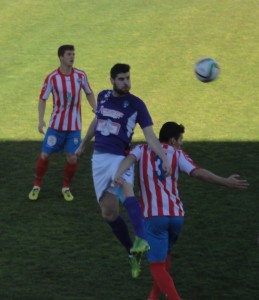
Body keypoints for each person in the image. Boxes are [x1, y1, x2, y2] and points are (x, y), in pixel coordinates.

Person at [113, 121, 249, 300]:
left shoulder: (141, 149)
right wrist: (226, 181)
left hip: (154, 218)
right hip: (177, 216)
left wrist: (118, 174)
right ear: (172, 140)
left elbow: (128, 160)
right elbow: (198, 172)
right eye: (180, 139)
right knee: (165, 256)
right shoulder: (178, 154)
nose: (181, 143)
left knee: (156, 266)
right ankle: (153, 296)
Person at [76, 63, 171, 278]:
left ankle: (141, 238)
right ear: (112, 80)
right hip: (99, 159)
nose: (126, 82)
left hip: (121, 156)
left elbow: (150, 137)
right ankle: (131, 252)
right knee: (109, 213)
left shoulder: (137, 104)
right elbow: (97, 121)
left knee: (127, 190)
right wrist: (83, 143)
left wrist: (164, 157)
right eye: (121, 79)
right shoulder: (102, 97)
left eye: (128, 78)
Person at [28, 45, 96, 201]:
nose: (72, 57)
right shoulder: (52, 78)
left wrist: (96, 108)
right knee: (45, 155)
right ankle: (37, 184)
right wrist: (40, 120)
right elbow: (42, 98)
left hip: (74, 127)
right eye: (69, 54)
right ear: (61, 57)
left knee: (72, 157)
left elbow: (89, 92)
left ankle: (66, 187)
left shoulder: (80, 75)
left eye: (73, 54)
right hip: (56, 126)